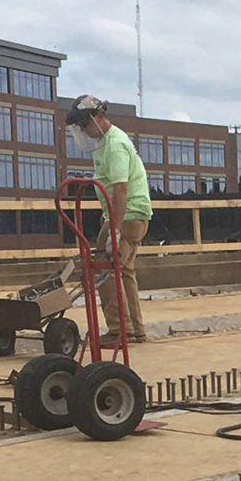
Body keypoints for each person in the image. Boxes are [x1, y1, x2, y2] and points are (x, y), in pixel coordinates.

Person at [66, 95, 151, 343]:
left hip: (128, 214)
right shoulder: (103, 143)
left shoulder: (115, 145)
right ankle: (135, 329)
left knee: (106, 268)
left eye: (85, 124)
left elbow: (120, 190)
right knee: (124, 271)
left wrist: (114, 231)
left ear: (99, 118)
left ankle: (118, 331)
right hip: (121, 214)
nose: (83, 130)